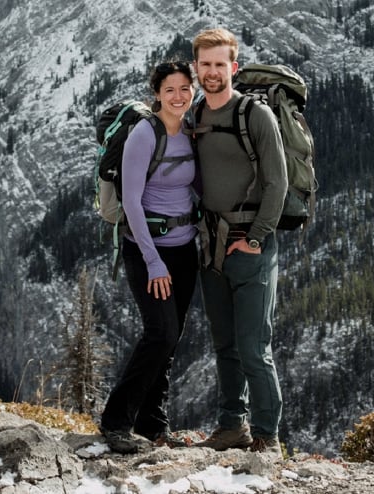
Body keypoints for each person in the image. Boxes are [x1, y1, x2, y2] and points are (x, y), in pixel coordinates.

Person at [191, 27, 287, 454]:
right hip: (210, 247)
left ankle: (268, 437)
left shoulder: (255, 115)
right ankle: (233, 425)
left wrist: (257, 238)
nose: (212, 72)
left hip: (250, 246)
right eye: (205, 64)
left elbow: (278, 182)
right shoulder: (195, 115)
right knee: (224, 345)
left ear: (234, 67)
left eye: (219, 64)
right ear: (196, 68)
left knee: (254, 348)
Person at [98, 59, 201, 454]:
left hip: (184, 249)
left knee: (170, 340)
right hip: (148, 250)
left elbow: (198, 187)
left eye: (184, 88)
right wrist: (153, 260)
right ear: (156, 94)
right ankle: (115, 421)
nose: (178, 96)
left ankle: (153, 424)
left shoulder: (190, 133)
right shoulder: (145, 133)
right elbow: (132, 201)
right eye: (169, 89)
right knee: (159, 334)